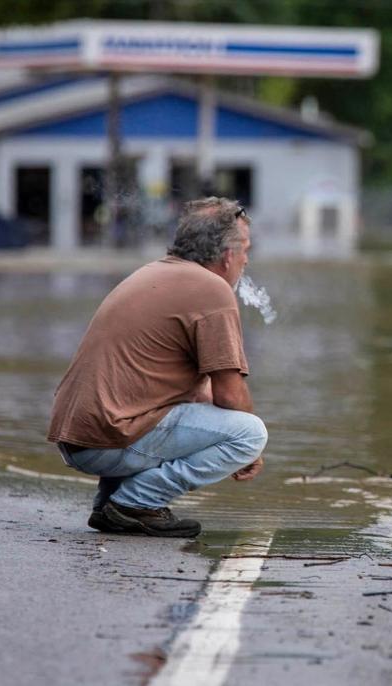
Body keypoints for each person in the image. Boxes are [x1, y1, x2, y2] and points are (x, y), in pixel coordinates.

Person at [47, 197, 267, 538]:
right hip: (107, 439)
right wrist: (251, 452)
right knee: (250, 433)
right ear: (226, 256)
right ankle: (136, 503)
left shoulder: (155, 272)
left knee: (179, 408)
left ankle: (110, 505)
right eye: (245, 250)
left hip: (79, 436)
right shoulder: (211, 289)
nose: (246, 260)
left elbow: (200, 392)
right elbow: (230, 394)